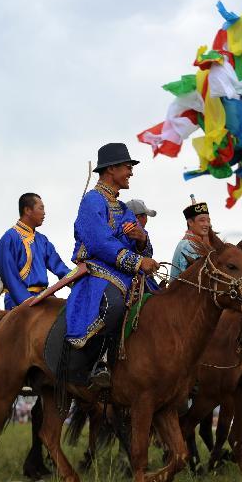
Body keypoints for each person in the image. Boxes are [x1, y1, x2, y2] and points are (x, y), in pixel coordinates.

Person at [66, 143, 158, 388]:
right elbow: (100, 243)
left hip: (124, 271)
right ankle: (98, 362)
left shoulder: (123, 208)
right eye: (127, 167)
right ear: (111, 169)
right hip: (97, 269)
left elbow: (141, 246)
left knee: (158, 299)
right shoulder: (92, 201)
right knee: (114, 305)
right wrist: (138, 261)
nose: (131, 172)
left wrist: (141, 239)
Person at [0, 193, 71, 310]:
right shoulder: (9, 238)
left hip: (43, 297)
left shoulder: (42, 240)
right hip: (18, 302)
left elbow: (59, 267)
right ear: (27, 210)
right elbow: (9, 277)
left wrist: (79, 281)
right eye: (41, 208)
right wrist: (27, 302)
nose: (44, 213)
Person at [169, 196, 211, 279]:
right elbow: (192, 277)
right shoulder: (186, 245)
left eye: (208, 221)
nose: (206, 224)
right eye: (202, 220)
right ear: (190, 222)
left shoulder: (201, 243)